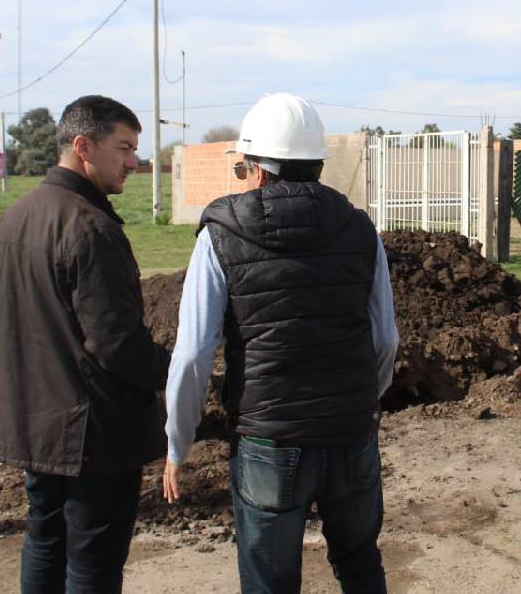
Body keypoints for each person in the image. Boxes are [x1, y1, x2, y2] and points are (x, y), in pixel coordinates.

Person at [163, 92, 398, 594]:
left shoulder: (220, 235)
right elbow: (385, 339)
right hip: (351, 432)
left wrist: (177, 441)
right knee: (360, 565)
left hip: (269, 440)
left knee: (270, 582)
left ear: (254, 166)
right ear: (316, 164)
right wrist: (357, 403)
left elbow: (192, 355)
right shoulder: (360, 229)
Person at [0, 95, 171, 594]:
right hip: (93, 436)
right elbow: (116, 343)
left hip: (33, 425)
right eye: (124, 147)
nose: (134, 162)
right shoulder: (91, 228)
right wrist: (173, 371)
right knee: (91, 563)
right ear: (83, 146)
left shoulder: (11, 220)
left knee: (44, 542)